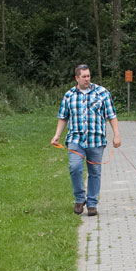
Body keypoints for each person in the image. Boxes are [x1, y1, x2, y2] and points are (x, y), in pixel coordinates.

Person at [52, 64, 121, 216]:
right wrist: (57, 135)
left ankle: (92, 203)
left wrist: (116, 135)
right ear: (77, 78)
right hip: (75, 139)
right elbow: (63, 117)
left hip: (96, 140)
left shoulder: (102, 93)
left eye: (88, 76)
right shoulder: (69, 95)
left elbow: (112, 115)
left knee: (95, 171)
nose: (87, 79)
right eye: (83, 76)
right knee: (75, 167)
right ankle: (79, 198)